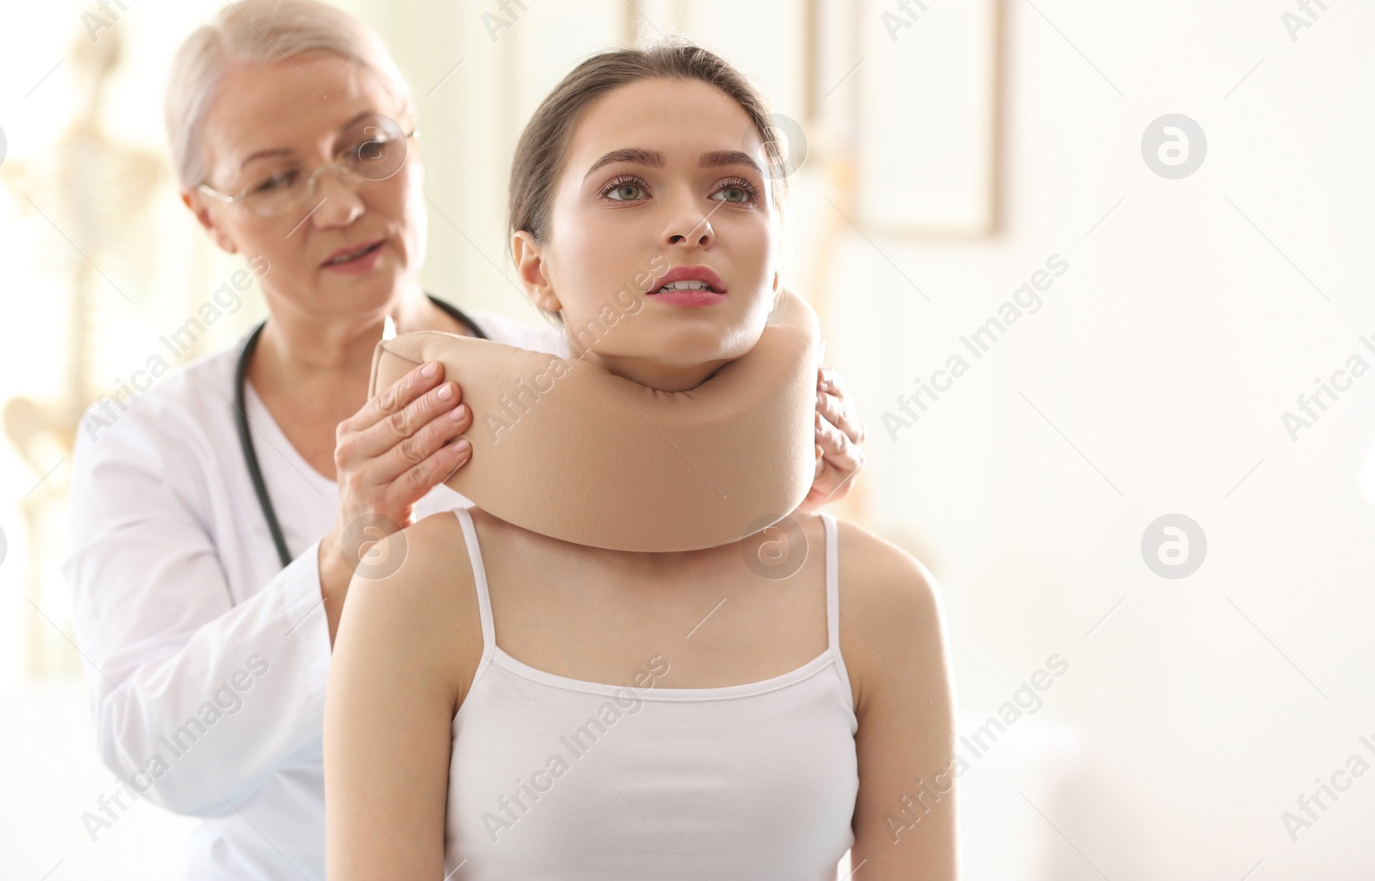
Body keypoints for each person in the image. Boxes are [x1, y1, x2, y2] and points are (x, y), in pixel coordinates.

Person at [63, 0, 869, 879]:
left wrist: (776, 494)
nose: (338, 204)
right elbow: (165, 753)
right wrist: (349, 556)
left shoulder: (580, 370)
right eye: (275, 179)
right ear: (209, 216)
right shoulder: (151, 446)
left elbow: (686, 649)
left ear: (414, 142)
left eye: (368, 147)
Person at [324, 44, 955, 879]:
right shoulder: (419, 590)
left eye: (734, 190)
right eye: (627, 187)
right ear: (534, 267)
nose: (693, 221)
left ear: (776, 269)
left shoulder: (883, 598)